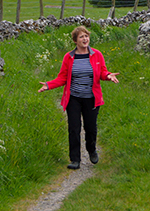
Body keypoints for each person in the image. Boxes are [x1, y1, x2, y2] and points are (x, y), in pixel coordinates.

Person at [38, 25, 120, 170]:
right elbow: (62, 78)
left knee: (91, 128)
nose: (85, 39)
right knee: (74, 128)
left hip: (91, 98)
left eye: (86, 36)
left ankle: (92, 150)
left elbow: (102, 72)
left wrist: (108, 76)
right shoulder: (69, 57)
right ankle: (75, 159)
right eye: (81, 37)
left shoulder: (97, 55)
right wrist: (48, 85)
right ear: (75, 40)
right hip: (74, 98)